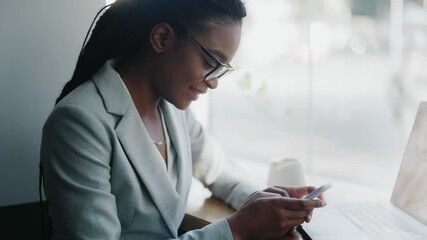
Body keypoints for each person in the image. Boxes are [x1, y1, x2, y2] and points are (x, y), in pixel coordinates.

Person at [40, 0, 326, 239]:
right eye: (210, 62)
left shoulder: (174, 111)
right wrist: (236, 229)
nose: (213, 82)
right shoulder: (78, 122)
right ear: (162, 38)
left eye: (221, 69)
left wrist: (272, 204)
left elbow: (221, 172)